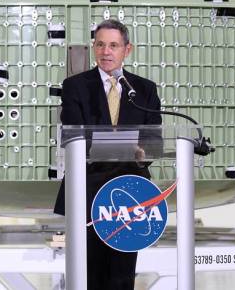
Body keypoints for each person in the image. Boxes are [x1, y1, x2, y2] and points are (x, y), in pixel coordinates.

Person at [53, 19, 161, 290]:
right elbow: (74, 134)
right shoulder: (75, 85)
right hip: (87, 190)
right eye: (100, 44)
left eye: (113, 45)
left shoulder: (144, 89)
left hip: (129, 192)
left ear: (128, 49)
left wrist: (142, 153)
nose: (106, 51)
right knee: (88, 274)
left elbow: (154, 140)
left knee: (122, 276)